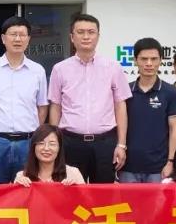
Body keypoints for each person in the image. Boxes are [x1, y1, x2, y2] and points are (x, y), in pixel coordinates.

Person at [47, 13, 130, 184]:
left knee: (104, 194)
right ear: (72, 37)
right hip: (70, 142)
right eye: (80, 32)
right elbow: (55, 106)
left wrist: (121, 145)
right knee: (70, 192)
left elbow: (120, 106)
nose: (86, 36)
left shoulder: (113, 67)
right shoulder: (60, 69)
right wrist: (55, 142)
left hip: (105, 143)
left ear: (98, 36)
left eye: (91, 32)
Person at [0, 16, 49, 185]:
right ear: (3, 38)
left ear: (28, 39)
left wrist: (34, 133)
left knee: (28, 191)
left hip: (27, 143)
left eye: (22, 35)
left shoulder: (37, 71)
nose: (17, 39)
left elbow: (42, 106)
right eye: (13, 34)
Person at [120, 37, 176, 183]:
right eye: (144, 59)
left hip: (159, 169)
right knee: (128, 200)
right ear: (135, 60)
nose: (149, 63)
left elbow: (175, 129)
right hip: (127, 167)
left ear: (161, 60)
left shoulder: (171, 92)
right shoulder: (125, 91)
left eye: (154, 59)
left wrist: (171, 162)